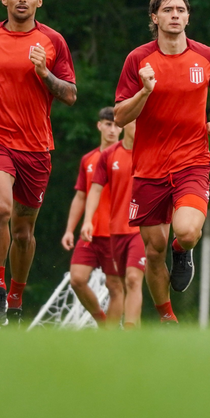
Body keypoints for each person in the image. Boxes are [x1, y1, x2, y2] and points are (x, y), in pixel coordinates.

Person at [0, 0, 77, 326]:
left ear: (40, 1)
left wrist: (45, 73)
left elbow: (71, 95)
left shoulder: (53, 42)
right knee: (0, 210)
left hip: (36, 147)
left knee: (24, 231)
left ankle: (15, 296)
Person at [114, 0, 210, 324]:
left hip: (192, 162)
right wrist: (146, 91)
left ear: (188, 16)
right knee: (153, 251)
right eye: (167, 10)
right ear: (155, 18)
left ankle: (183, 252)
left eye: (181, 10)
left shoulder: (207, 56)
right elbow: (120, 116)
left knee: (187, 231)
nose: (175, 15)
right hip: (149, 168)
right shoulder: (138, 60)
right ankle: (167, 317)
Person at [60, 107, 123, 326]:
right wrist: (69, 229)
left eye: (117, 125)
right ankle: (102, 321)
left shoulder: (128, 158)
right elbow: (80, 196)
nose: (112, 130)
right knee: (77, 279)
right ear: (99, 126)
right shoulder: (88, 159)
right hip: (91, 232)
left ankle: (111, 338)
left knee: (115, 286)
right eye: (108, 124)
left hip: (117, 233)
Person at [81, 120, 145, 328]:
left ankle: (129, 331)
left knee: (134, 279)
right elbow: (95, 189)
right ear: (126, 124)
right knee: (118, 284)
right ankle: (131, 329)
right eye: (137, 122)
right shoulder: (108, 156)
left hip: (141, 229)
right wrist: (88, 220)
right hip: (115, 231)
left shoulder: (150, 153)